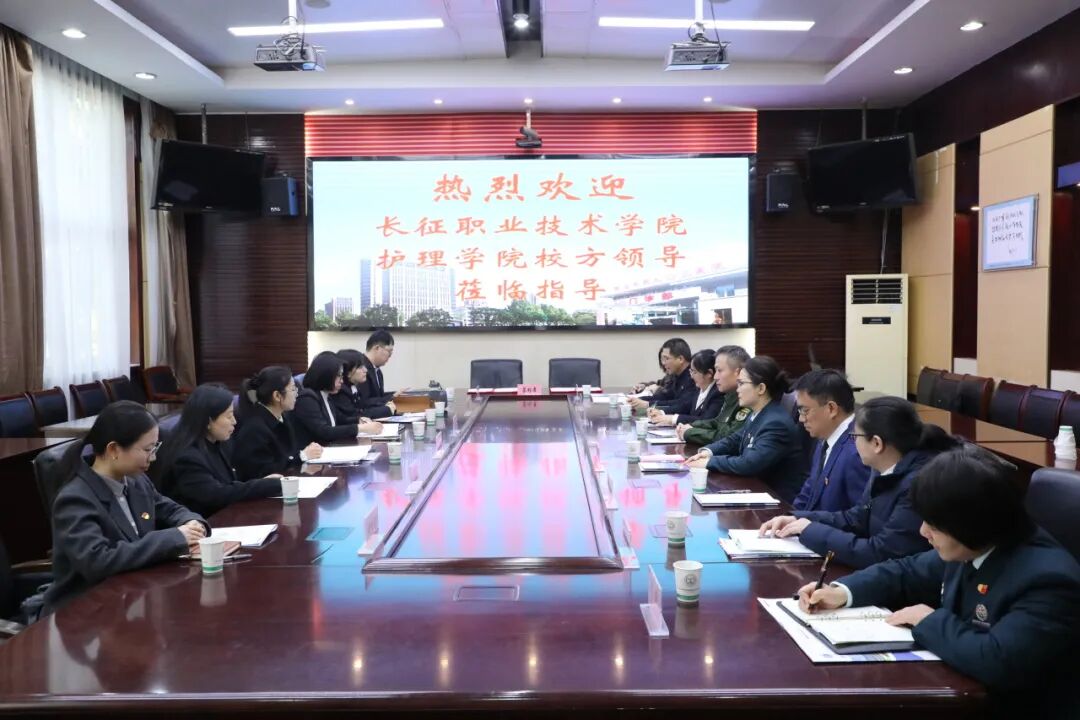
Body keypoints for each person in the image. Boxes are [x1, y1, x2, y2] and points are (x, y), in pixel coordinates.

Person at [798, 446, 1080, 719]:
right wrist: (841, 592)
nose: (923, 532)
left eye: (933, 525)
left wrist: (928, 620)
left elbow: (998, 661)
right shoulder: (974, 544)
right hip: (960, 692)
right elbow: (906, 571)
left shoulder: (1048, 581)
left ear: (972, 523)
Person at [44, 401, 208, 616]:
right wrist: (174, 538)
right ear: (114, 449)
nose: (153, 457)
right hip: (85, 612)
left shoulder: (136, 481)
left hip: (132, 596)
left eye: (155, 448)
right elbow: (98, 561)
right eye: (147, 449)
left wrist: (191, 523)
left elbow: (169, 509)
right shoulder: (75, 499)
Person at [760, 396, 958, 568]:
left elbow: (881, 552)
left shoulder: (918, 484)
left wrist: (810, 531)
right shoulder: (881, 468)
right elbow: (857, 518)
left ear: (877, 443)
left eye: (855, 436)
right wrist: (800, 519)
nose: (853, 442)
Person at [685, 356, 808, 502]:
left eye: (742, 383)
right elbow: (735, 439)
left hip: (776, 501)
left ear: (761, 388)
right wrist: (708, 452)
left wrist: (709, 462)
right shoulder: (759, 413)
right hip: (756, 490)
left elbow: (749, 463)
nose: (737, 389)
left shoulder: (775, 423)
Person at [151, 384, 283, 518]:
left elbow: (230, 485)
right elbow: (215, 495)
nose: (234, 421)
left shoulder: (219, 443)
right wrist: (263, 486)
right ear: (208, 421)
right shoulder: (186, 456)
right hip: (202, 523)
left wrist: (264, 483)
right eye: (229, 416)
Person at [788, 369, 871, 512]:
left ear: (831, 409)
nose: (801, 419)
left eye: (805, 411)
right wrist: (789, 517)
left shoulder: (857, 451)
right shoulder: (825, 439)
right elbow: (809, 492)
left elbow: (859, 516)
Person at [233, 365, 324, 478]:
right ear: (277, 396)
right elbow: (264, 472)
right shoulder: (255, 429)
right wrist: (302, 456)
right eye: (293, 389)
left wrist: (305, 453)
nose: (297, 394)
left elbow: (288, 455)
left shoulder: (283, 417)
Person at [293, 351, 383, 447]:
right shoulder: (307, 399)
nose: (342, 381)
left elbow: (340, 419)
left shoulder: (326, 395)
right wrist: (360, 428)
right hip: (317, 452)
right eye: (338, 376)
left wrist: (358, 420)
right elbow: (324, 431)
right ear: (326, 375)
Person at [678, 345, 751, 445]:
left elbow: (727, 437)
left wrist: (689, 432)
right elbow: (717, 423)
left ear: (737, 372)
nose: (715, 377)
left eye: (719, 371)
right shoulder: (730, 396)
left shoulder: (747, 400)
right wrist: (692, 426)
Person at [647, 349, 724, 426]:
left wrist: (673, 419)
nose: (691, 376)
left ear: (709, 373)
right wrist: (662, 412)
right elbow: (685, 406)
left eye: (694, 372)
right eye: (691, 371)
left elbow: (706, 420)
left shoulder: (718, 393)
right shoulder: (699, 388)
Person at [630, 338, 694, 411]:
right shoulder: (675, 375)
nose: (663, 363)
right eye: (662, 359)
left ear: (680, 359)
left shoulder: (693, 377)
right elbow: (665, 396)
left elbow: (682, 404)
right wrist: (637, 399)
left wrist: (648, 404)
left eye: (666, 359)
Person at [355, 329, 398, 419]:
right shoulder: (361, 369)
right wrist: (391, 397)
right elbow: (365, 402)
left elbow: (378, 397)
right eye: (389, 351)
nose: (390, 355)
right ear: (377, 348)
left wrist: (395, 395)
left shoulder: (377, 371)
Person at [330, 349, 371, 424]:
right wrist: (387, 409)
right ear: (348, 372)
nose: (365, 370)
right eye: (360, 367)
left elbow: (364, 406)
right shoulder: (340, 390)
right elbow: (356, 414)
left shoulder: (354, 386)